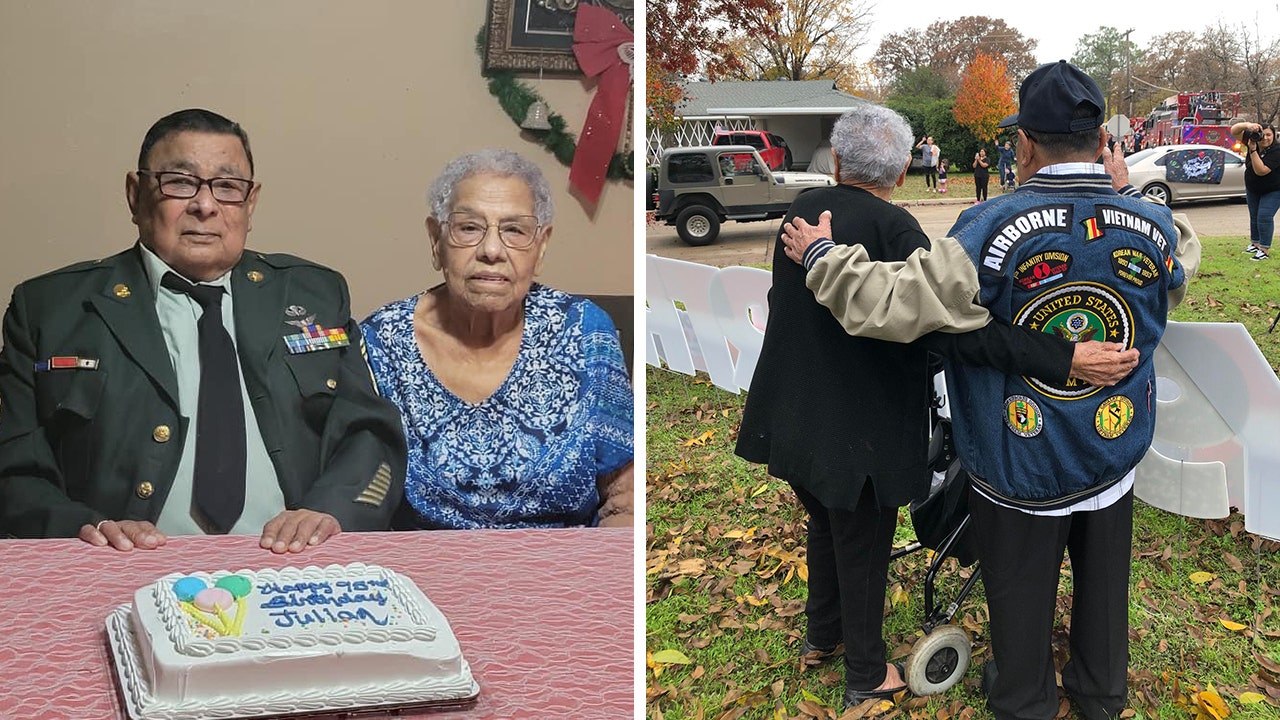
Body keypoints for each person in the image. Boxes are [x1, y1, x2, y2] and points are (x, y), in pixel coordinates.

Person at [777, 61, 1200, 720]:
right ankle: (1099, 692)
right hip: (1114, 451)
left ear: (1025, 144)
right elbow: (1176, 275)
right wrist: (1128, 198)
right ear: (1101, 142)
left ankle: (1026, 698)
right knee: (1104, 587)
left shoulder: (988, 225)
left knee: (1020, 591)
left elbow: (889, 304)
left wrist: (825, 257)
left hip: (1020, 462)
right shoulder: (1147, 220)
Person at [0, 108, 407, 553]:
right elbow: (15, 469)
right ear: (136, 195)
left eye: (228, 186)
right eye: (179, 182)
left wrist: (328, 512)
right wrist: (89, 529)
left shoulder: (314, 294)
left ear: (250, 204)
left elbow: (368, 433)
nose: (205, 205)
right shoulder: (49, 309)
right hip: (123, 566)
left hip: (290, 564)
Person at [360, 149, 633, 530]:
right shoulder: (379, 342)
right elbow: (356, 488)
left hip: (564, 571)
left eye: (515, 230)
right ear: (436, 240)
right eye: (469, 228)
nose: (491, 251)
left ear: (541, 247)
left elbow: (626, 497)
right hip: (427, 572)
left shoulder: (586, 330)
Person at [1230, 122, 1280, 261]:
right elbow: (1234, 130)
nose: (1265, 138)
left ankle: (1264, 249)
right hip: (1253, 187)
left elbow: (1261, 171)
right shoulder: (1253, 138)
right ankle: (1255, 243)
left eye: (1269, 135)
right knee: (1254, 216)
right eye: (1262, 135)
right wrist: (1249, 125)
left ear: (1274, 135)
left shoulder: (1277, 151)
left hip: (1274, 189)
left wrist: (1252, 150)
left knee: (1264, 216)